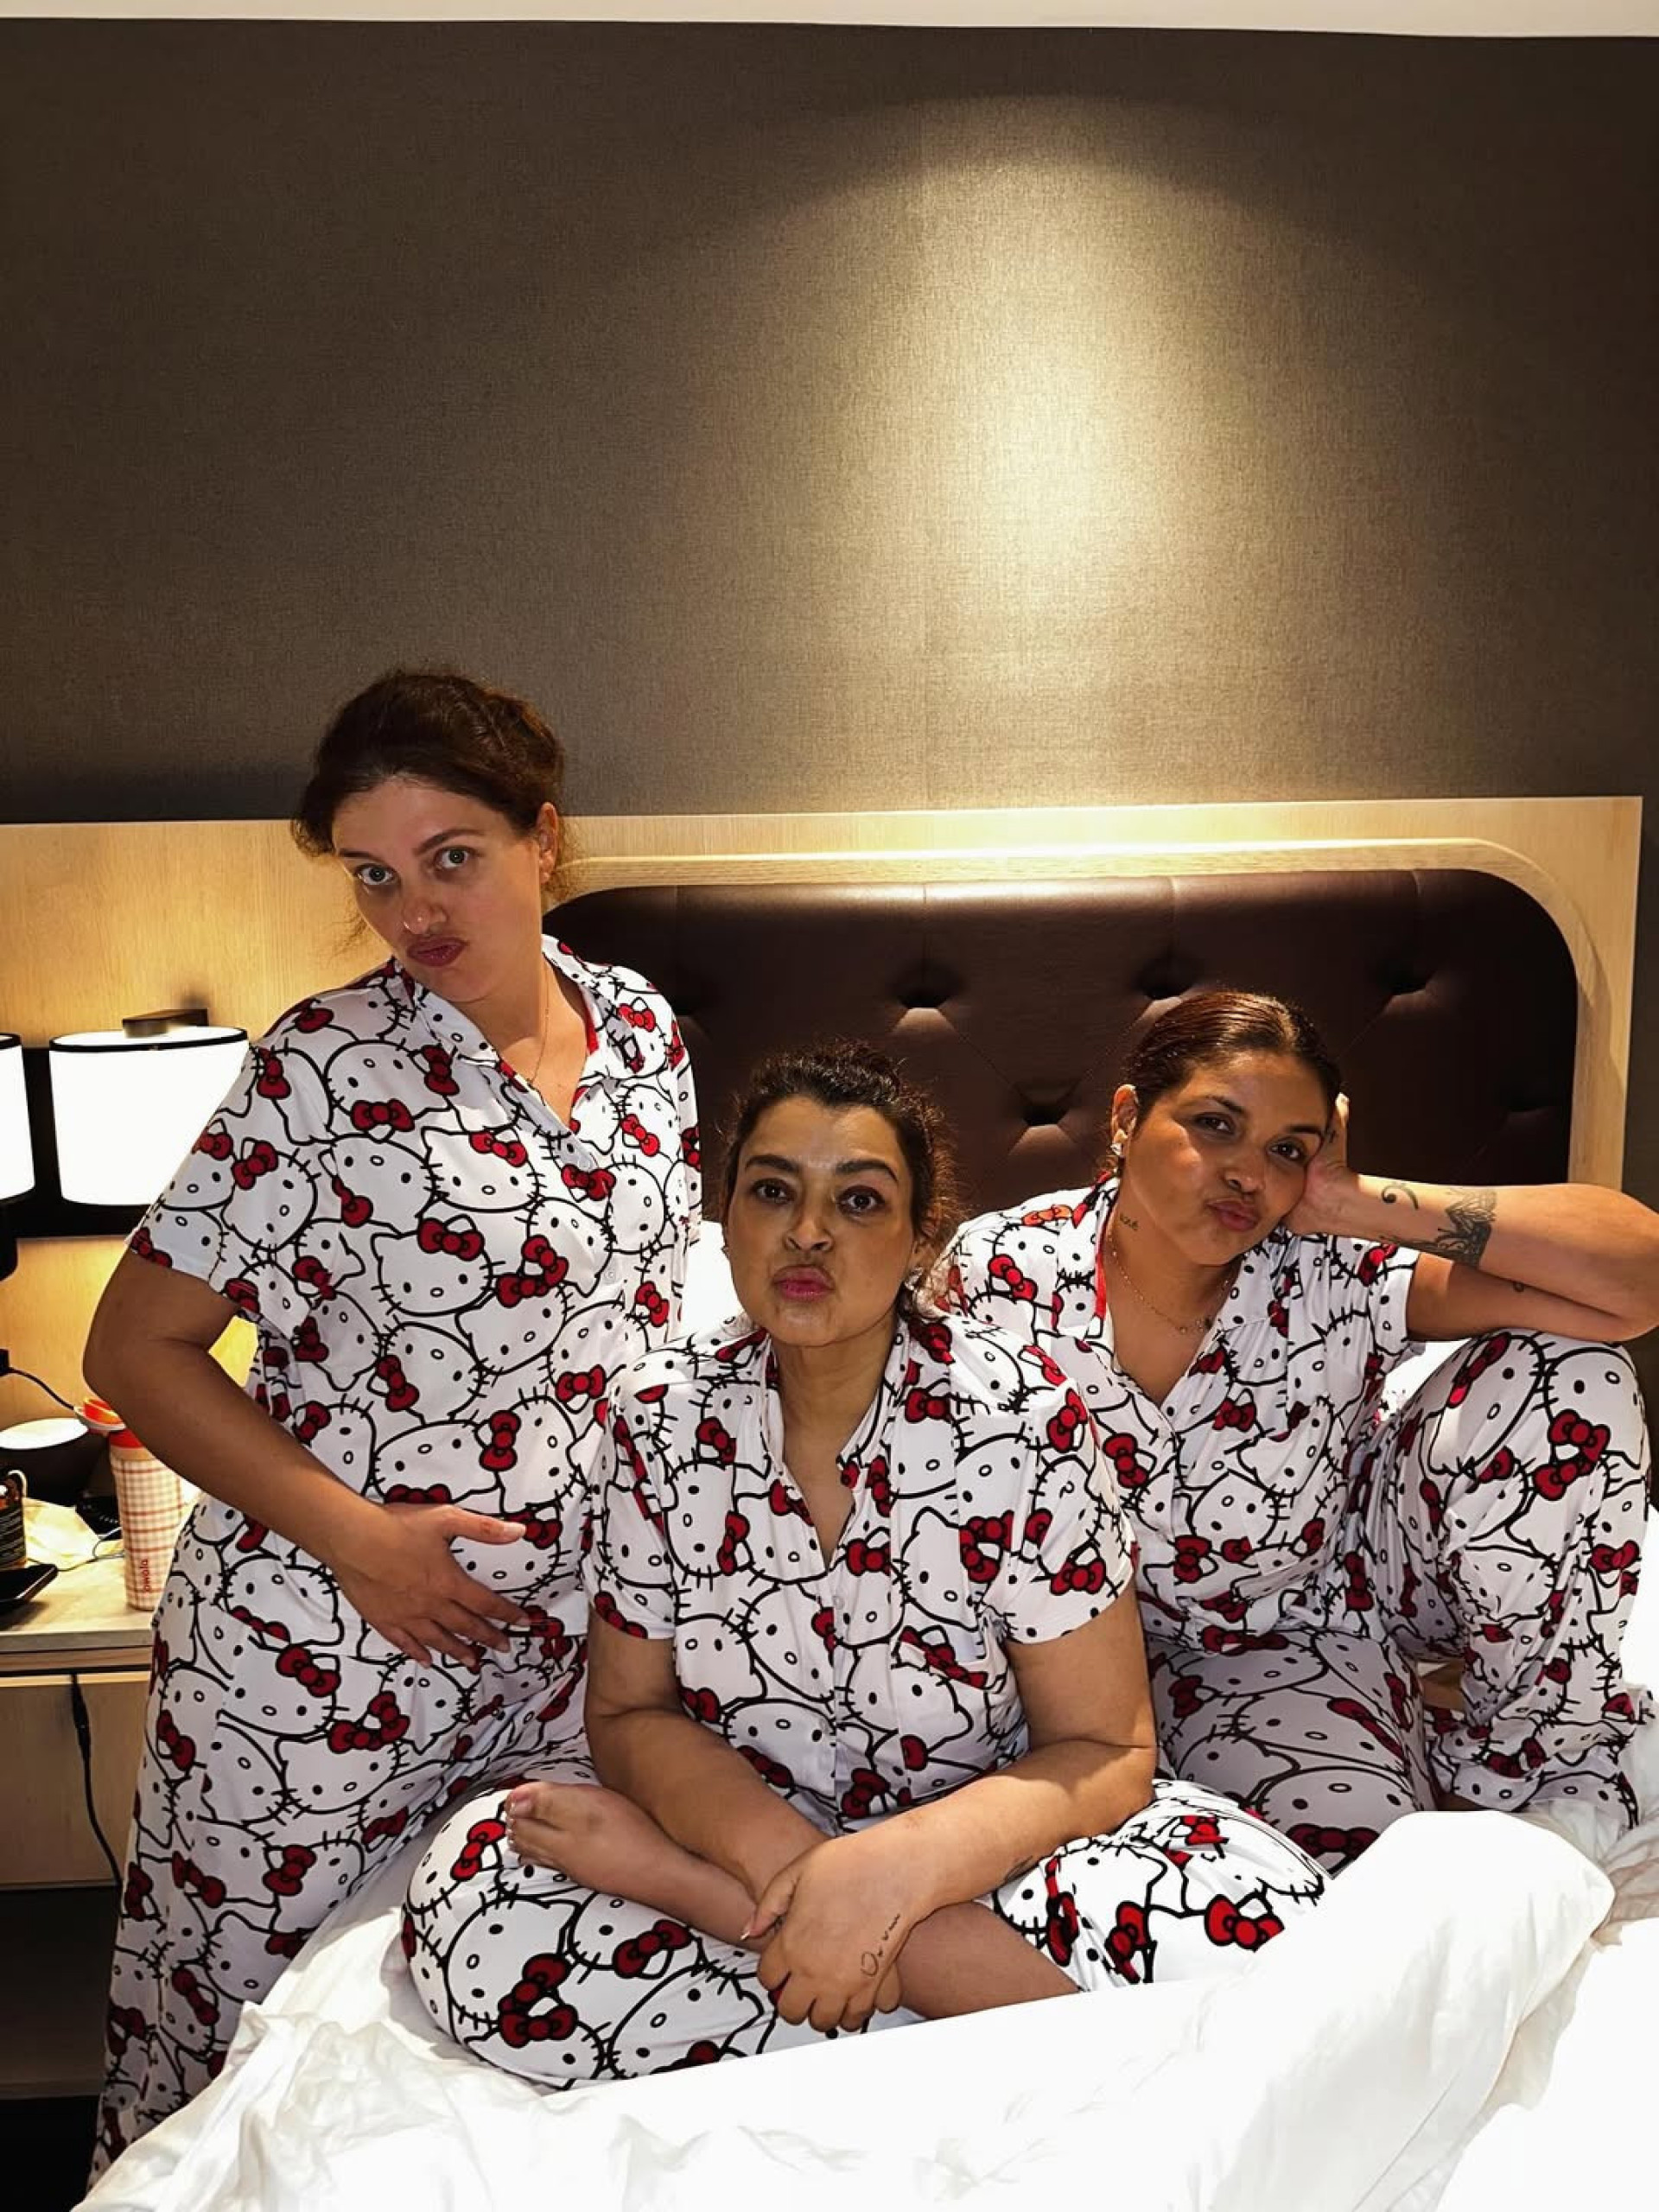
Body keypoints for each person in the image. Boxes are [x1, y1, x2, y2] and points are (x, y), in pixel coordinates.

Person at [403, 1044, 1325, 2082]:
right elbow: (626, 1713)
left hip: (980, 1855)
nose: (808, 1231)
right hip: (737, 1827)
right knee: (473, 1902)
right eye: (772, 1191)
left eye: (859, 1201)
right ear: (728, 1219)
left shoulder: (1025, 1424)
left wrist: (885, 1879)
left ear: (920, 1237)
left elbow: (1107, 1748)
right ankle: (1033, 2044)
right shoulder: (658, 1415)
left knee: (1264, 1929)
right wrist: (803, 1873)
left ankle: (777, 1960)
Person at [86, 669, 700, 2171]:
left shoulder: (642, 1030)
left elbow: (653, 1329)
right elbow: (135, 1349)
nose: (413, 911)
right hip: (320, 1651)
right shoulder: (320, 1070)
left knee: (498, 2055)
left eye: (451, 858)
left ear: (542, 838)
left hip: (558, 1660)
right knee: (233, 2064)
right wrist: (363, 1541)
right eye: (372, 874)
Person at [943, 989, 1658, 1872]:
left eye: (1287, 1149)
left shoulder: (1330, 1266)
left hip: (1295, 1627)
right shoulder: (1001, 1274)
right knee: (1228, 1909)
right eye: (1216, 1125)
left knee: (1573, 1377)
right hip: (1066, 1663)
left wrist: (1355, 1204)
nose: (1249, 1174)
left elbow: (1637, 1285)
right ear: (1128, 1118)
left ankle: (1507, 1770)